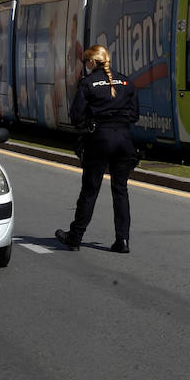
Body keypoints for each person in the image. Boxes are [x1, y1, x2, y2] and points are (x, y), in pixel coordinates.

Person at [56, 45, 139, 254]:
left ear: (92, 62)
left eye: (86, 62)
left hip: (100, 139)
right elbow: (134, 115)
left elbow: (77, 117)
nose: (85, 66)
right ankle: (123, 240)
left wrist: (91, 123)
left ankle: (74, 238)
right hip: (124, 140)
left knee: (90, 190)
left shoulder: (87, 83)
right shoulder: (127, 82)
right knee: (121, 191)